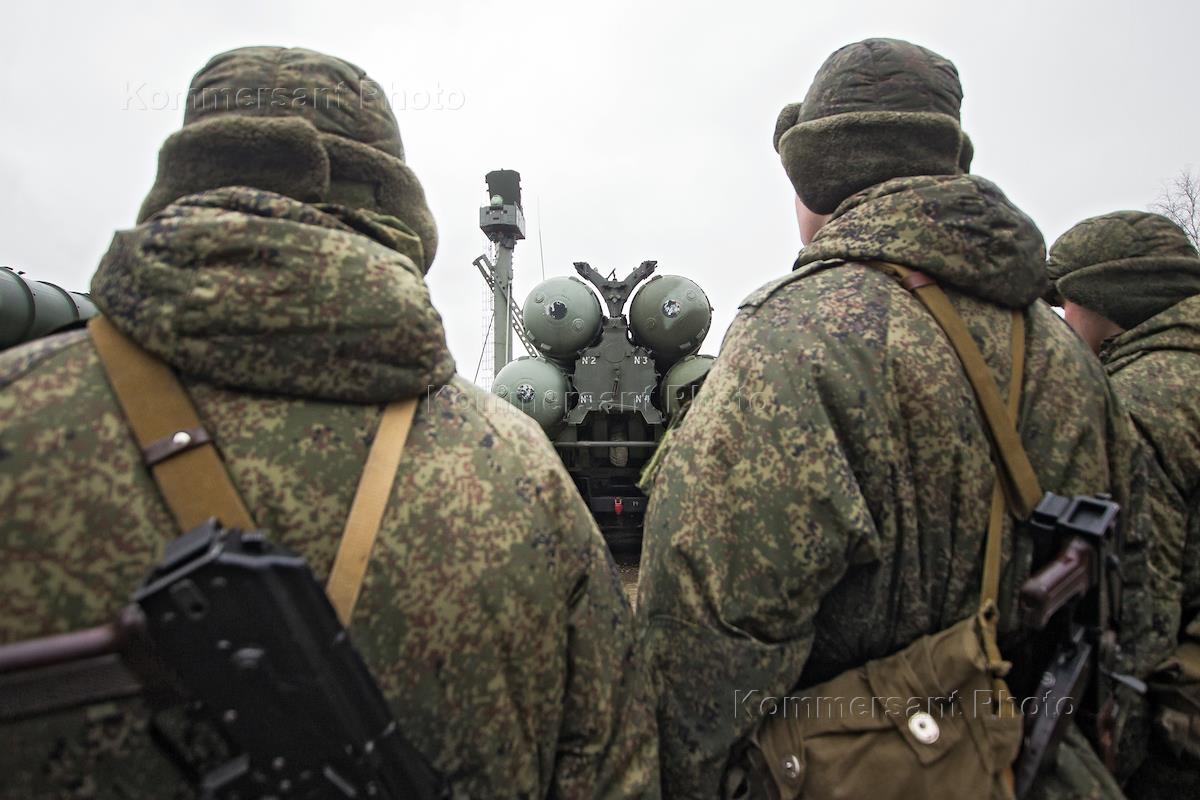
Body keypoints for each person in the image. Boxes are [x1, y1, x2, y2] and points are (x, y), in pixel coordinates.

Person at [0, 46, 657, 799]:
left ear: (182, 175)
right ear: (394, 206)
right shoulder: (515, 469)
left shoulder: (16, 411)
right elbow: (616, 767)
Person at [636, 38, 1142, 798]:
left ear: (817, 179)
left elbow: (707, 644)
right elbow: (1122, 590)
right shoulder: (1063, 351)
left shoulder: (796, 337)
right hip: (1038, 762)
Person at [1047, 210, 1200, 798]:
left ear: (1103, 303)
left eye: (1065, 304)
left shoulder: (1139, 405)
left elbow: (1139, 611)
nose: (1061, 322)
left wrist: (1115, 762)